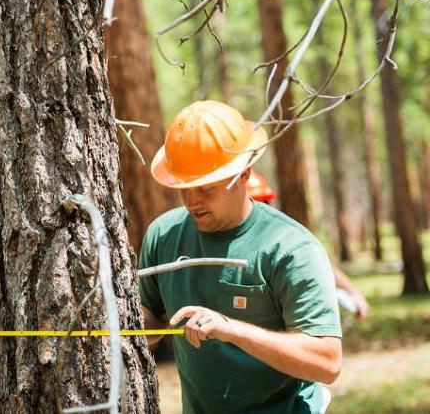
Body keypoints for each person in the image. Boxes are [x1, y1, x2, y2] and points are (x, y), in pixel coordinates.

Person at [139, 100, 342, 413]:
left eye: (206, 188)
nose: (192, 201)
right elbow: (151, 322)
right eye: (185, 187)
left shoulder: (290, 248)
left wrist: (230, 329)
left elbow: (327, 363)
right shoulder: (163, 235)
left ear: (244, 173)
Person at [246, 170, 370, 320]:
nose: (262, 210)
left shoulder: (280, 238)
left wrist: (352, 292)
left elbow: (318, 264)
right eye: (257, 203)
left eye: (265, 203)